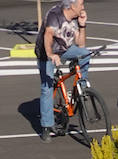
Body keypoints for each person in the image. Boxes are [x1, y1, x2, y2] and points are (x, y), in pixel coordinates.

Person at [35, 0, 90, 142]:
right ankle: (47, 127)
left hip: (64, 49)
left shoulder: (76, 17)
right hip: (46, 52)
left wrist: (83, 25)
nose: (83, 7)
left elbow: (81, 44)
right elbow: (48, 35)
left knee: (85, 53)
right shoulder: (55, 14)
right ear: (72, 6)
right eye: (81, 4)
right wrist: (50, 55)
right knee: (47, 89)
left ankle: (81, 87)